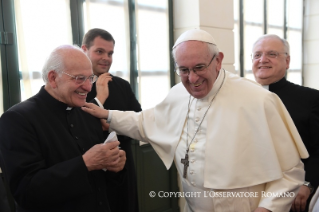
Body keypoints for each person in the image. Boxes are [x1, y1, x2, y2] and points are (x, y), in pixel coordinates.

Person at [82, 29, 309, 212]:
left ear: (218, 61)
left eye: (199, 67)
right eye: (183, 70)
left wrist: (267, 209)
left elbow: (291, 172)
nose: (192, 78)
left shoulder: (259, 100)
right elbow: (145, 122)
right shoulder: (179, 93)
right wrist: (108, 115)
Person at [0, 45, 126, 212]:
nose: (88, 87)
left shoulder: (87, 111)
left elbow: (101, 182)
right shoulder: (17, 119)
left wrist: (114, 167)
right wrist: (85, 163)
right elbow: (26, 192)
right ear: (53, 78)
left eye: (90, 78)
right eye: (79, 78)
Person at [252, 34, 319, 212]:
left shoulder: (311, 98)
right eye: (257, 55)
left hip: (295, 192)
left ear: (287, 61)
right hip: (252, 190)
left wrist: (308, 184)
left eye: (271, 54)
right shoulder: (242, 99)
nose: (262, 60)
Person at [82, 28, 141, 212]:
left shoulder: (122, 85)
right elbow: (77, 126)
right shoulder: (76, 86)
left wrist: (108, 123)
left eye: (110, 53)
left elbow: (138, 122)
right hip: (90, 170)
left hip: (123, 164)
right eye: (99, 51)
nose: (106, 58)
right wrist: (100, 97)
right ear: (85, 50)